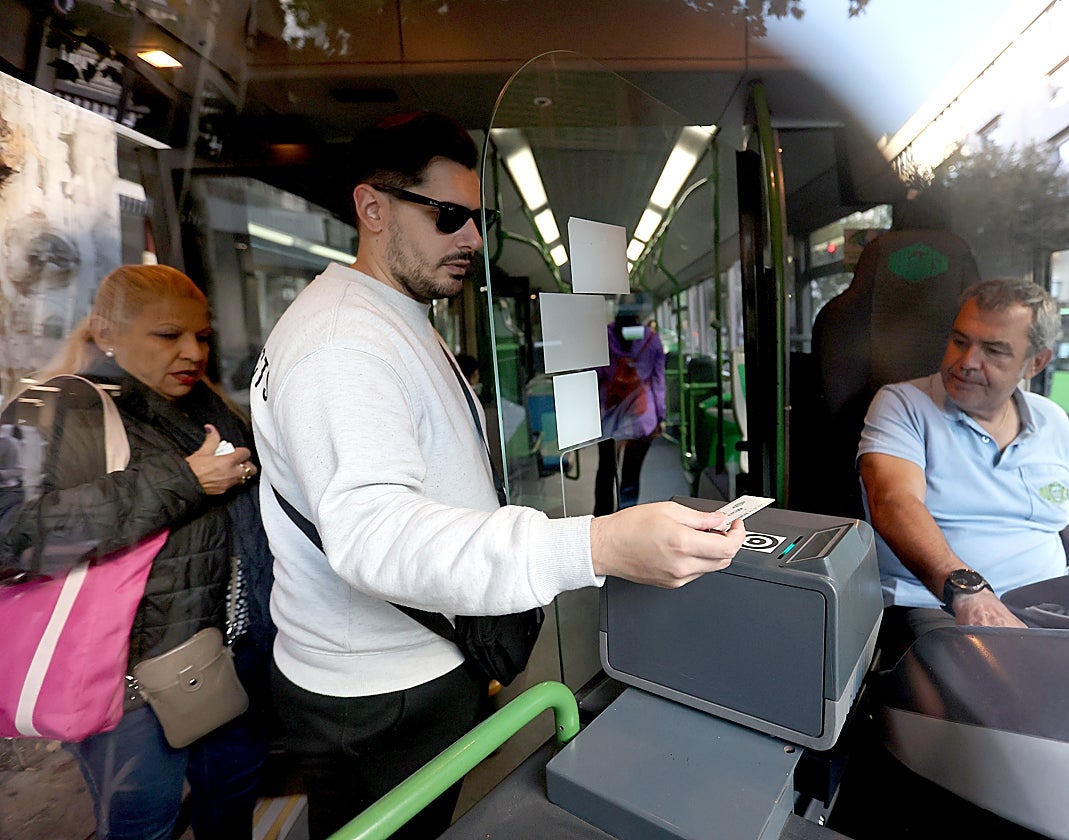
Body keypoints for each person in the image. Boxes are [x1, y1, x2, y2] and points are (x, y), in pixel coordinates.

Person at [250, 111, 745, 840]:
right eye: (449, 216)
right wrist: (595, 546)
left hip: (409, 660)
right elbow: (374, 537)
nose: (473, 240)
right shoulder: (341, 345)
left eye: (476, 219)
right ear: (373, 208)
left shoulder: (392, 316)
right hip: (380, 690)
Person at [0, 265, 275, 840]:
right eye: (168, 335)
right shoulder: (59, 408)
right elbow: (14, 533)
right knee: (141, 827)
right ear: (105, 332)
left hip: (223, 663)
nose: (191, 351)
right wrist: (185, 481)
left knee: (230, 804)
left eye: (202, 336)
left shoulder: (207, 408)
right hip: (128, 684)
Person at [857, 277, 1069, 654]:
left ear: (1036, 362)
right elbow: (894, 501)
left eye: (994, 350)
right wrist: (969, 592)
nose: (967, 362)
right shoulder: (904, 405)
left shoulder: (1050, 419)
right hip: (939, 609)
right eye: (960, 341)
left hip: (1055, 606)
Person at [594, 312, 667, 515]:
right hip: (643, 417)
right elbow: (658, 382)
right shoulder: (651, 339)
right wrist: (661, 416)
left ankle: (601, 519)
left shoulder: (602, 337)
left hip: (610, 418)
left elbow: (594, 377)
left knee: (606, 472)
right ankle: (626, 517)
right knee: (631, 476)